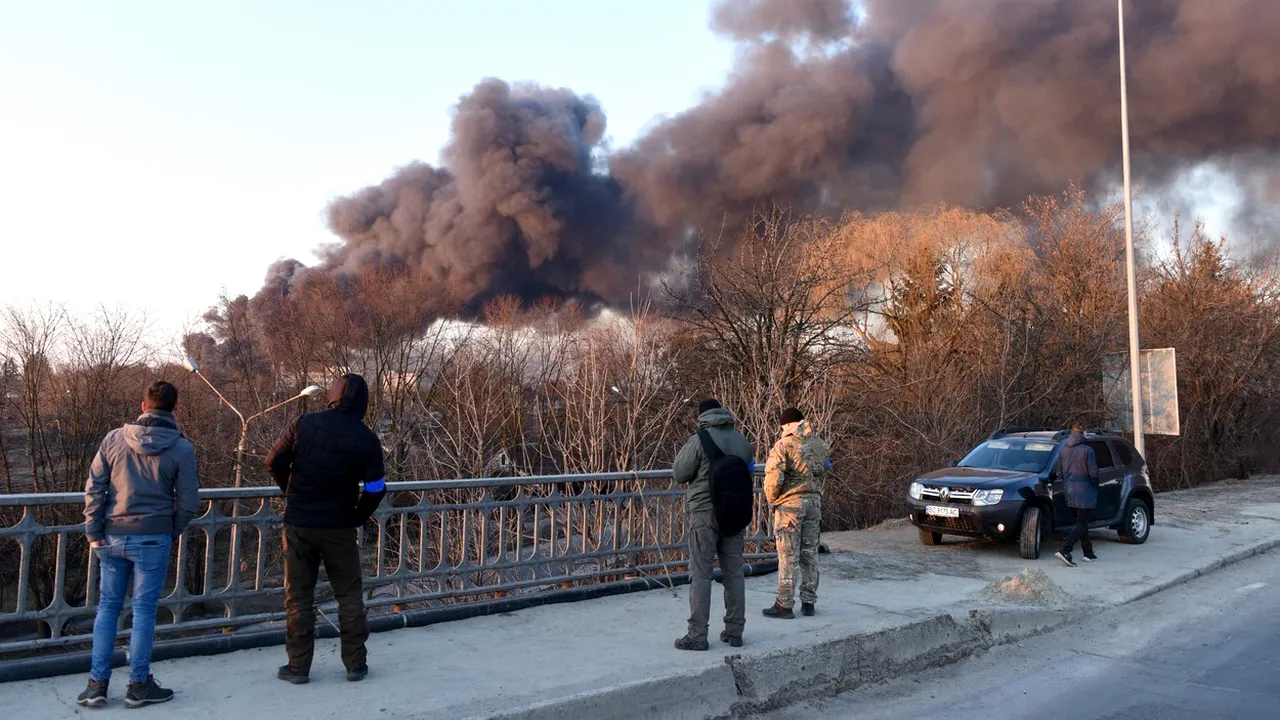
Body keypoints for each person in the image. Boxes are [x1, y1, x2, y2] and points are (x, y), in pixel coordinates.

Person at [78, 380, 200, 709]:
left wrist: (93, 529)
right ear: (175, 408)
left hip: (111, 535)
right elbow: (189, 500)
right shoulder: (182, 448)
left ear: (143, 405)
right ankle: (138, 685)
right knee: (144, 612)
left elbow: (95, 487)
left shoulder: (114, 439)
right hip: (153, 537)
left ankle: (96, 685)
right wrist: (170, 530)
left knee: (107, 609)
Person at [266, 374, 387, 684]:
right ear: (363, 402)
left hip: (299, 524)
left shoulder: (304, 423)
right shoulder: (366, 438)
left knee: (299, 597)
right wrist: (358, 515)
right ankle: (355, 665)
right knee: (348, 595)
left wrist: (291, 493)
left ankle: (297, 668)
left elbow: (273, 462)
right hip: (339, 526)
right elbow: (376, 487)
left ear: (332, 396)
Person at [671, 398, 754, 650]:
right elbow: (748, 474)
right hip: (735, 512)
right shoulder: (742, 441)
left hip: (705, 514)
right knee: (734, 573)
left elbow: (679, 473)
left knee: (701, 574)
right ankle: (734, 631)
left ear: (702, 417)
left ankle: (697, 635)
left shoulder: (699, 440)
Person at [762, 407, 831, 619]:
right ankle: (809, 601)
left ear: (786, 425)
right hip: (814, 502)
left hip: (790, 507)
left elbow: (774, 478)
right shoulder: (818, 443)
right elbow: (823, 468)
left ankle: (784, 604)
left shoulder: (783, 445)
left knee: (788, 555)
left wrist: (772, 499)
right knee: (810, 553)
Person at [1055, 423, 1100, 567]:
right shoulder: (1088, 450)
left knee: (1081, 522)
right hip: (1085, 490)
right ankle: (1065, 550)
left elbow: (1059, 473)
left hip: (1070, 491)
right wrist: (1094, 485)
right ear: (1083, 432)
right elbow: (1094, 473)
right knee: (1081, 524)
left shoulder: (1062, 450)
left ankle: (1088, 552)